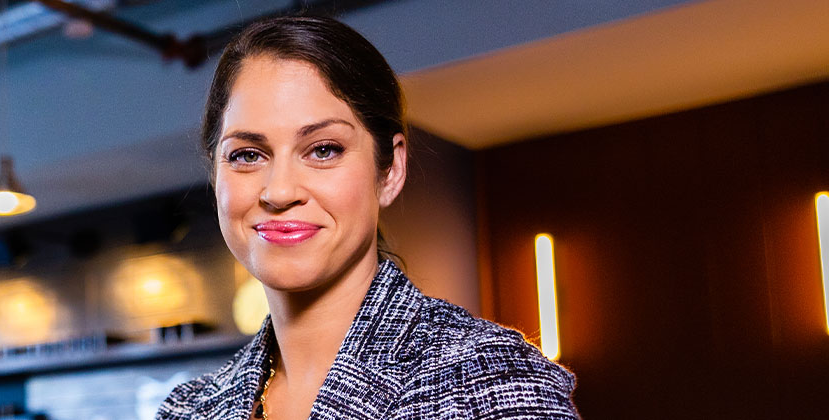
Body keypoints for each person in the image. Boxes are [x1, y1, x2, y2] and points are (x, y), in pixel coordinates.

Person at [154, 16, 578, 420]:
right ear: (216, 175)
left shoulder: (489, 381)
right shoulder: (188, 408)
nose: (280, 191)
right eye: (247, 155)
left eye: (324, 150)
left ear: (390, 170)